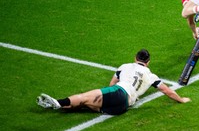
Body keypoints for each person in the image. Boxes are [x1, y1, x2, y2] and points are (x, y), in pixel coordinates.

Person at [37, 49, 190, 115]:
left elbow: (111, 85)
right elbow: (167, 91)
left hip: (118, 93)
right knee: (84, 105)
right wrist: (181, 100)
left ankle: (57, 102)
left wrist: (107, 93)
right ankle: (57, 106)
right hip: (122, 107)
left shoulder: (124, 66)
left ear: (135, 58)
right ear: (148, 62)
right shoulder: (151, 75)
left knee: (84, 98)